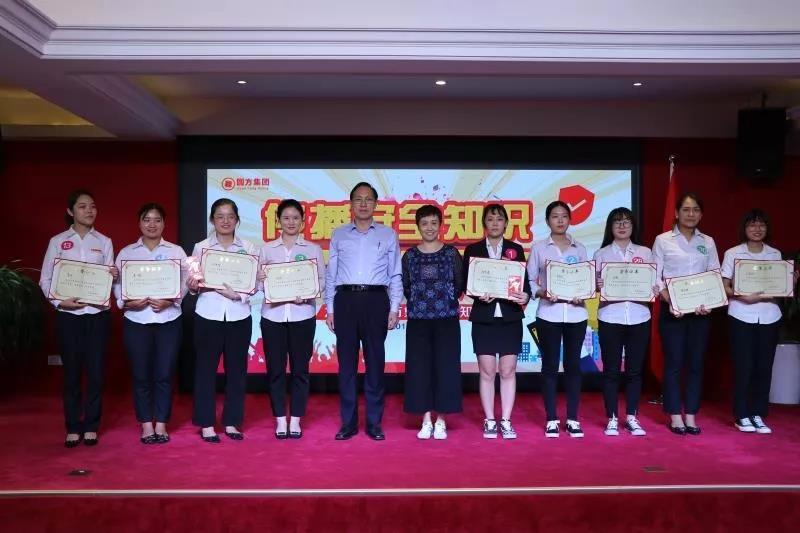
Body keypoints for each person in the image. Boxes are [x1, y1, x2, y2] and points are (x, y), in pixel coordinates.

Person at [39, 190, 117, 447]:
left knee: (95, 372)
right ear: (70, 211)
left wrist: (113, 276)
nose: (89, 211)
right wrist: (59, 302)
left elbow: (109, 277)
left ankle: (92, 425)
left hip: (97, 315)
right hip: (68, 316)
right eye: (83, 206)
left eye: (93, 206)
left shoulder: (104, 241)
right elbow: (45, 279)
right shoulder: (57, 241)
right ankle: (73, 426)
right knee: (71, 373)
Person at [325, 182, 402, 441]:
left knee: (375, 364)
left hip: (376, 300)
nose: (363, 203)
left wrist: (394, 308)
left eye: (368, 199)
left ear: (376, 204)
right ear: (351, 204)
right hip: (345, 300)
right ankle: (348, 424)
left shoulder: (388, 235)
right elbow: (331, 274)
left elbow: (395, 274)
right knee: (346, 366)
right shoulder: (339, 235)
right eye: (358, 199)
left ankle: (374, 423)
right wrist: (330, 308)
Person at [187, 198, 261, 443]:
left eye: (230, 216)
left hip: (239, 315)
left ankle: (231, 421)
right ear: (212, 220)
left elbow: (257, 283)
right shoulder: (201, 248)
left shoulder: (250, 248)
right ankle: (206, 423)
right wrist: (193, 286)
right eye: (220, 216)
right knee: (205, 371)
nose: (225, 221)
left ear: (237, 220)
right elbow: (194, 285)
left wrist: (238, 295)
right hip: (208, 315)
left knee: (237, 371)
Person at [114, 203, 187, 444]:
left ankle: (162, 424)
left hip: (169, 320)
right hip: (136, 320)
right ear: (140, 223)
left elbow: (185, 281)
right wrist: (126, 302)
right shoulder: (127, 253)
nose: (152, 224)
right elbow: (116, 283)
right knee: (141, 375)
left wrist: (171, 300)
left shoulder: (176, 251)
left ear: (164, 224)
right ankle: (146, 424)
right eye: (147, 220)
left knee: (164, 374)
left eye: (157, 220)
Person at [721, 209, 797, 434]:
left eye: (761, 225)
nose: (757, 229)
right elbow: (724, 285)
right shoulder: (733, 253)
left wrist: (790, 283)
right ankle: (741, 415)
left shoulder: (775, 254)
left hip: (770, 316)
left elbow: (781, 286)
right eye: (752, 225)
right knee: (743, 367)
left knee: (764, 367)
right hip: (741, 315)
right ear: (744, 229)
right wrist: (741, 295)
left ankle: (758, 414)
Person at [653, 192, 720, 435]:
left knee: (695, 364)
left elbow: (714, 274)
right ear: (676, 213)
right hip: (673, 312)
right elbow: (655, 277)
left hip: (701, 313)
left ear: (701, 214)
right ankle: (674, 415)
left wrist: (709, 301)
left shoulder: (708, 242)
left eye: (695, 210)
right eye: (686, 209)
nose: (691, 214)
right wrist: (672, 301)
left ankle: (691, 415)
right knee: (673, 364)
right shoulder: (663, 240)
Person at [463, 203, 531, 439]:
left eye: (499, 219)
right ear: (484, 223)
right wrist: (476, 293)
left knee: (508, 370)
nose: (495, 223)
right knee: (487, 371)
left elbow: (525, 284)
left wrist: (525, 295)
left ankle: (506, 420)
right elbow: (466, 284)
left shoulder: (515, 249)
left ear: (506, 224)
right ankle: (490, 419)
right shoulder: (473, 250)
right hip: (484, 317)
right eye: (490, 219)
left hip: (510, 317)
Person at [258, 199, 325, 439]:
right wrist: (266, 285)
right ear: (278, 221)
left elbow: (321, 281)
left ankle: (295, 419)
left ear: (303, 221)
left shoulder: (312, 249)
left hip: (302, 315)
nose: (290, 222)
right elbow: (257, 282)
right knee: (275, 370)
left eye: (295, 218)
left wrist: (307, 294)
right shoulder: (266, 250)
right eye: (286, 218)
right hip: (272, 316)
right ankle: (279, 419)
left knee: (300, 370)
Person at [527, 201, 589, 438]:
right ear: (547, 221)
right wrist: (542, 292)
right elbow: (530, 280)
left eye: (564, 216)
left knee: (573, 366)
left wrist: (583, 292)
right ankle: (551, 418)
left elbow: (585, 278)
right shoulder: (539, 248)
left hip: (576, 314)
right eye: (555, 216)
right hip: (548, 314)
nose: (560, 220)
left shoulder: (580, 248)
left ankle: (573, 418)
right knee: (550, 367)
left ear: (570, 220)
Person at [402, 204, 463, 440]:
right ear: (418, 226)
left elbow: (459, 284)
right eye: (425, 223)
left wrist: (443, 301)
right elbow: (407, 287)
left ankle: (441, 421)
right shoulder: (410, 256)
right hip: (418, 321)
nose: (429, 228)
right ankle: (426, 419)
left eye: (434, 223)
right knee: (420, 370)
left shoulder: (451, 254)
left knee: (445, 368)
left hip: (446, 319)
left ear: (441, 225)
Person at [593, 207, 655, 437]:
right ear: (610, 227)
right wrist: (596, 284)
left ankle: (631, 417)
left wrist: (653, 287)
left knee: (634, 371)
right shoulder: (601, 254)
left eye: (626, 221)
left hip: (639, 316)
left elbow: (655, 281)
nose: (622, 226)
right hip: (610, 316)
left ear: (632, 226)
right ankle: (611, 417)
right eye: (617, 222)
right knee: (611, 370)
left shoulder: (645, 252)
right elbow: (591, 285)